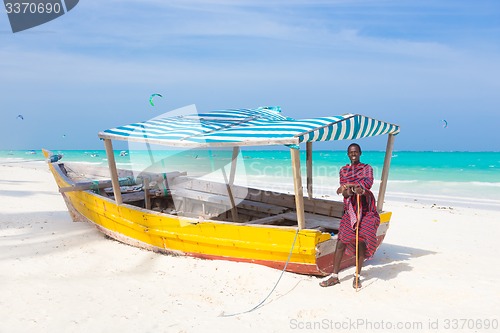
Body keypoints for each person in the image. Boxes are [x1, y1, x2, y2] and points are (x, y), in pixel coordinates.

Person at [319, 143, 380, 288]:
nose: (353, 154)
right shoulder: (344, 170)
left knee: (361, 242)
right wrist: (349, 189)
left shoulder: (367, 168)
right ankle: (334, 276)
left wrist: (354, 188)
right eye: (351, 152)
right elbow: (346, 193)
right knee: (341, 242)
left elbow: (367, 185)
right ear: (348, 154)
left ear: (360, 153)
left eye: (356, 152)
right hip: (350, 210)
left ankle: (357, 276)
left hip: (366, 211)